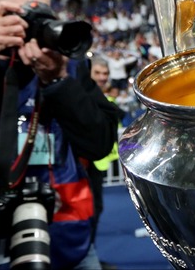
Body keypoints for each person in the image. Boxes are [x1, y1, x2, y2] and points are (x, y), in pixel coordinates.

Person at [0, 0, 120, 269]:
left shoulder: (69, 67)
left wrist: (58, 82)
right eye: (28, 13)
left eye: (44, 15)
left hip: (67, 235)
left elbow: (100, 144)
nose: (37, 26)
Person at [87, 56, 124, 270]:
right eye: (97, 73)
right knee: (87, 212)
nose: (102, 78)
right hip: (83, 164)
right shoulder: (82, 97)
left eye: (105, 73)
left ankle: (88, 254)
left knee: (95, 210)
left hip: (99, 164)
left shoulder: (107, 100)